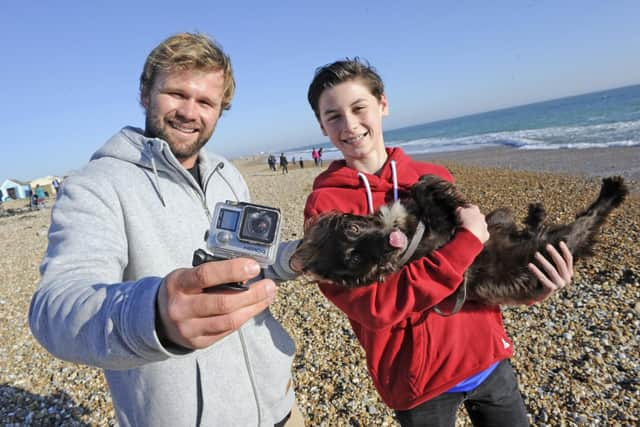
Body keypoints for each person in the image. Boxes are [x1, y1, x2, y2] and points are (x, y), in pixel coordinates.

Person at [29, 33, 303, 427]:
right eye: (176, 93)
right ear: (145, 93)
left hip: (279, 403)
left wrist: (295, 259)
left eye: (206, 102)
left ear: (220, 110)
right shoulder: (95, 185)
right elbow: (54, 308)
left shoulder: (227, 175)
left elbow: (252, 265)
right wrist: (154, 316)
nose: (190, 112)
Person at [300, 58, 574, 426]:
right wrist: (466, 243)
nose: (349, 125)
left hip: (486, 355)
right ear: (321, 126)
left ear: (383, 105)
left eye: (359, 107)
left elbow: (483, 267)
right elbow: (372, 306)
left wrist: (535, 286)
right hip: (418, 379)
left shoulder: (433, 177)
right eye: (333, 116)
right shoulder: (327, 209)